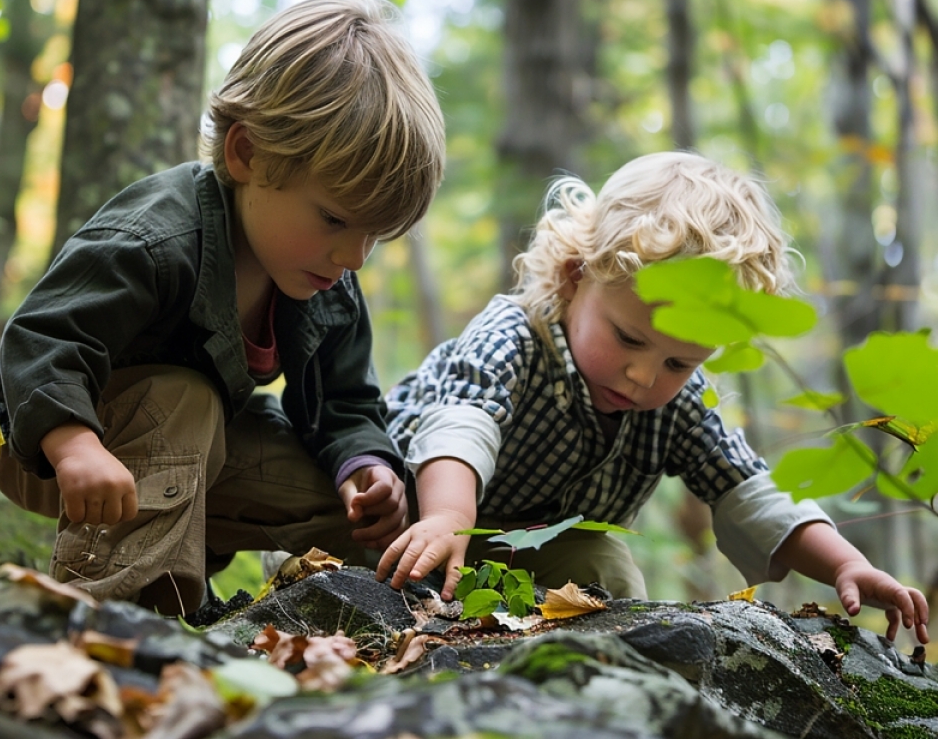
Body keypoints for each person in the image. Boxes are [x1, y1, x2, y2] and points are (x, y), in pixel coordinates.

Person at [0, 0, 446, 616]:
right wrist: (75, 447)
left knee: (335, 490)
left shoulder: (324, 275)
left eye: (374, 234)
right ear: (248, 153)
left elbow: (345, 402)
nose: (355, 257)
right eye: (336, 218)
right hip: (41, 440)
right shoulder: (155, 238)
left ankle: (300, 607)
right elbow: (43, 340)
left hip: (185, 450)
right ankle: (122, 614)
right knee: (187, 399)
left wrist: (366, 466)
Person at [376, 151, 929, 644]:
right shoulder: (515, 335)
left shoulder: (680, 403)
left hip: (522, 543)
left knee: (606, 568)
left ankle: (591, 676)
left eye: (678, 363)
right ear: (574, 278)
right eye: (628, 338)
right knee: (367, 524)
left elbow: (747, 488)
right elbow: (464, 419)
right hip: (413, 506)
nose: (644, 376)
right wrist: (447, 514)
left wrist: (845, 564)